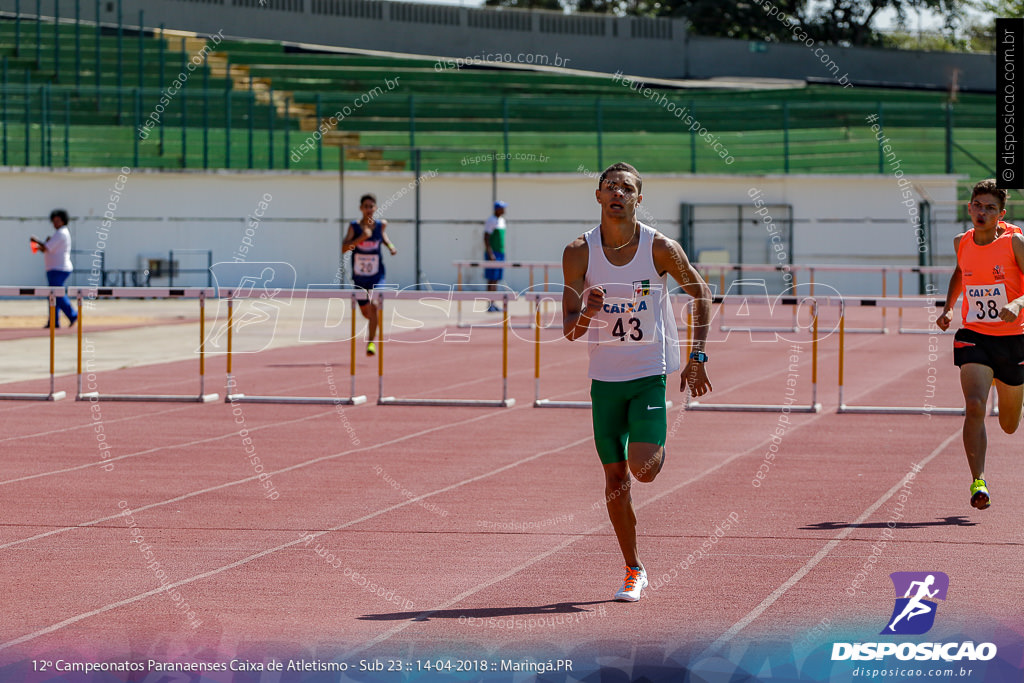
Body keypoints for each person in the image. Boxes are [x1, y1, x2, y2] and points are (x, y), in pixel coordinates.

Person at [561, 162, 712, 602]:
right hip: (604, 379)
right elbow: (570, 329)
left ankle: (649, 436)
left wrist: (697, 355)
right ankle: (634, 568)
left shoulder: (659, 248)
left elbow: (701, 292)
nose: (617, 193)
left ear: (638, 199)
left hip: (648, 373)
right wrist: (588, 310)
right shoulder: (578, 253)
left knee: (643, 471)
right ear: (597, 196)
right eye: (609, 186)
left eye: (627, 188)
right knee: (614, 481)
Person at [937, 179, 1024, 510]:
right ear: (969, 207)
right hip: (975, 336)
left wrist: (1017, 305)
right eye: (978, 205)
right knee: (974, 405)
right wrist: (947, 308)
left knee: (1009, 425)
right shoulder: (962, 241)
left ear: (1000, 214)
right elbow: (961, 273)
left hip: (1015, 340)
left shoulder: (1015, 243)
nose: (982, 211)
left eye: (990, 207)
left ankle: (1010, 386)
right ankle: (979, 481)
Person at [342, 194, 397, 356]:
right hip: (359, 277)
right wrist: (361, 238)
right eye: (365, 206)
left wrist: (391, 247)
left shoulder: (381, 225)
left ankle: (371, 342)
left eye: (371, 206)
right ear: (361, 208)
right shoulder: (354, 227)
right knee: (367, 313)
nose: (368, 209)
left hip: (377, 275)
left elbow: (385, 239)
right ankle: (374, 324)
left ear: (375, 208)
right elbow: (344, 248)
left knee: (374, 305)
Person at [30, 209, 77, 328]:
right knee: (53, 295)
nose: (55, 223)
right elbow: (46, 248)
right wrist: (39, 245)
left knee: (57, 294)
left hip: (59, 268)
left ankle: (72, 314)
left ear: (63, 221)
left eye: (58, 220)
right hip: (54, 268)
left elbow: (46, 248)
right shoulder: (60, 233)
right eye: (54, 221)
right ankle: (54, 320)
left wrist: (36, 241)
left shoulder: (61, 233)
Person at [484, 201, 507, 312]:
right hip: (493, 253)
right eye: (502, 208)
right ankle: (489, 304)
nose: (504, 210)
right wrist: (490, 253)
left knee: (497, 279)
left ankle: (494, 302)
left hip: (501, 253)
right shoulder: (491, 220)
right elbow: (486, 237)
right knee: (491, 279)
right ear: (497, 209)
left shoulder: (502, 221)